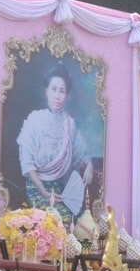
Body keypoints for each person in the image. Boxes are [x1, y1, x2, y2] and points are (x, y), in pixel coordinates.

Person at [16, 64, 95, 229]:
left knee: (81, 224)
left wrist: (89, 165)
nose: (57, 96)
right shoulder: (34, 120)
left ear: (66, 95)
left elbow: (82, 153)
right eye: (53, 89)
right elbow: (28, 163)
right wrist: (42, 190)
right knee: (60, 221)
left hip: (60, 191)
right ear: (46, 91)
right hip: (36, 187)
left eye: (62, 91)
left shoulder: (69, 124)